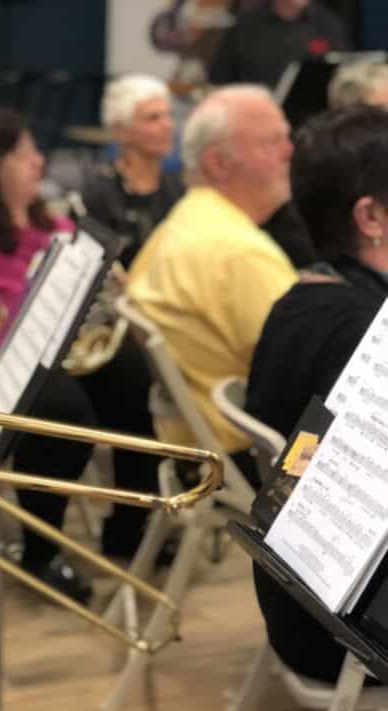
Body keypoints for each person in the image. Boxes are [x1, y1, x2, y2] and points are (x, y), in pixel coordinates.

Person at [0, 107, 162, 603]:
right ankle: (41, 551)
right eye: (23, 154)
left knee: (129, 372)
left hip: (52, 362)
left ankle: (130, 524)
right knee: (60, 408)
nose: (39, 162)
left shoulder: (52, 226)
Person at [246, 105, 388, 683]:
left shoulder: (304, 296)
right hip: (343, 626)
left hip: (294, 597)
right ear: (372, 216)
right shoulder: (369, 333)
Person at [127, 85, 298, 466]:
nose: (290, 152)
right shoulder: (239, 252)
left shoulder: (182, 223)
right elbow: (313, 374)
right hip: (252, 456)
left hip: (197, 449)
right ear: (218, 164)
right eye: (272, 142)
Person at [80, 74, 184, 266]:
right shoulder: (99, 195)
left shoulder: (180, 188)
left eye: (169, 115)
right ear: (121, 131)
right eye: (153, 118)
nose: (168, 126)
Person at [208, 0, 350, 89]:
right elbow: (218, 81)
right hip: (258, 119)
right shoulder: (244, 27)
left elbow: (343, 74)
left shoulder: (330, 25)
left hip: (312, 120)